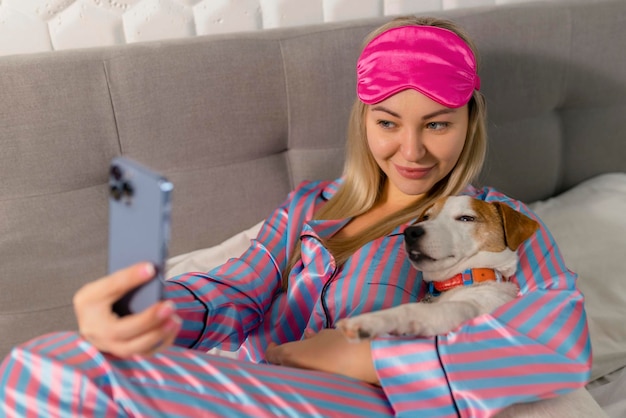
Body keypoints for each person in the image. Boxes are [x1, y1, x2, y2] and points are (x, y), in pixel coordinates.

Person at [0, 15, 590, 417]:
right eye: (388, 123)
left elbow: (555, 342)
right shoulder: (312, 204)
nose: (411, 151)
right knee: (52, 365)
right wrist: (145, 313)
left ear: (470, 121)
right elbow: (234, 289)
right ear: (364, 121)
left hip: (372, 402)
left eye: (437, 124)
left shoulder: (494, 219)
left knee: (54, 372)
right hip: (261, 388)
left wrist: (366, 357)